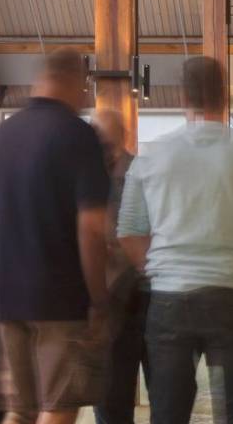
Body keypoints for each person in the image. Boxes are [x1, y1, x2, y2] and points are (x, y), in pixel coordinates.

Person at [117, 56, 233, 424]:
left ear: (182, 96)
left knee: (168, 413)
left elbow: (129, 231)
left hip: (169, 300)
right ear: (224, 96)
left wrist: (161, 269)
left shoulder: (152, 154)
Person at [0, 49, 114, 424]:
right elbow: (90, 226)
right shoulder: (76, 135)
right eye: (86, 87)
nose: (86, 96)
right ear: (75, 80)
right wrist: (98, 296)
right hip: (59, 296)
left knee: (18, 410)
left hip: (4, 295)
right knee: (58, 404)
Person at [91, 108, 149, 424]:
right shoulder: (86, 175)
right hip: (109, 297)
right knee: (111, 399)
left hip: (146, 292)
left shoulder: (142, 172)